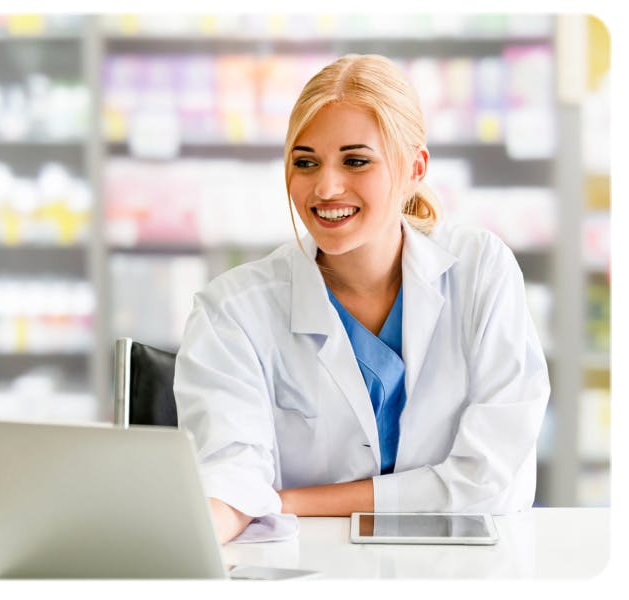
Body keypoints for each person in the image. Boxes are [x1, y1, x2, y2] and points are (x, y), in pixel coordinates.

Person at [173, 54, 551, 544]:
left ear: (414, 168)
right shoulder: (232, 311)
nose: (326, 187)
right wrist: (205, 525)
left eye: (356, 161)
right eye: (305, 162)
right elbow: (229, 481)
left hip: (464, 570)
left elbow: (492, 481)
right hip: (311, 568)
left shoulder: (481, 271)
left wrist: (287, 502)